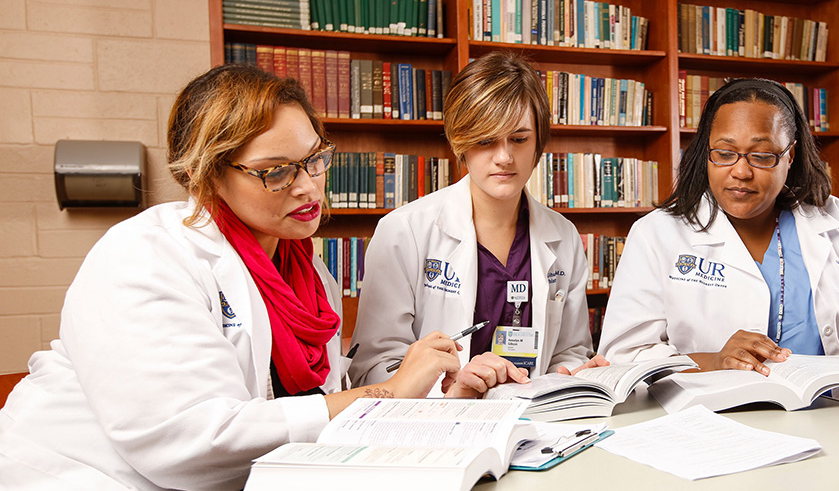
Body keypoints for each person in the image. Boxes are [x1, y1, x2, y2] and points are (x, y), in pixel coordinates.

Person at [0, 64, 505, 490]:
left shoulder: (307, 271)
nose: (308, 187)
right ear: (208, 173)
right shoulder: (147, 255)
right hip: (79, 477)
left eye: (314, 160)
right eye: (276, 171)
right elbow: (189, 444)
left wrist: (436, 399)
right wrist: (391, 394)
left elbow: (318, 402)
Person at [596, 78, 839, 413]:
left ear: (790, 155)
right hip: (716, 422)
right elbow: (623, 356)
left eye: (762, 156)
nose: (740, 171)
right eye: (724, 154)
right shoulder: (657, 234)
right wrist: (714, 361)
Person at [350, 52, 605, 396]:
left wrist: (574, 373)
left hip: (531, 423)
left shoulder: (563, 237)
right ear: (461, 142)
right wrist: (450, 390)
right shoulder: (404, 231)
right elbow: (373, 371)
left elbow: (569, 350)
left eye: (519, 138)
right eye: (486, 140)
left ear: (538, 143)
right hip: (436, 423)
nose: (504, 157)